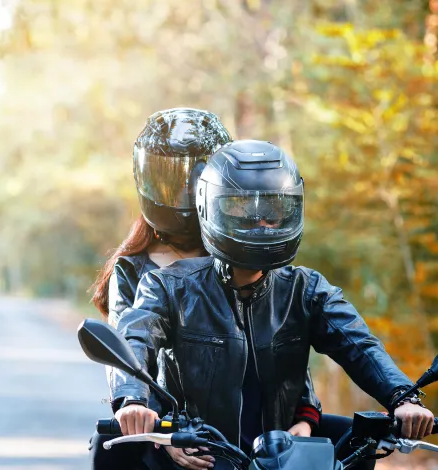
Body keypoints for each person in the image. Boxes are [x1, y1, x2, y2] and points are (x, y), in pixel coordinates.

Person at [112, 140, 435, 470]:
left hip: (282, 454)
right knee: (113, 455)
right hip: (197, 452)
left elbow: (358, 345)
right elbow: (135, 340)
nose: (260, 224)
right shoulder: (169, 286)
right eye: (241, 210)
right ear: (209, 208)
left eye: (273, 211)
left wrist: (403, 398)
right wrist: (135, 401)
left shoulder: (306, 290)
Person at [89, 112, 321, 470]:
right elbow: (131, 352)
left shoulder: (243, 247)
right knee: (111, 449)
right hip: (173, 431)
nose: (182, 189)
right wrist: (164, 433)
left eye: (194, 176)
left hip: (260, 431)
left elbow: (282, 333)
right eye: (170, 179)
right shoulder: (133, 267)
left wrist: (305, 415)